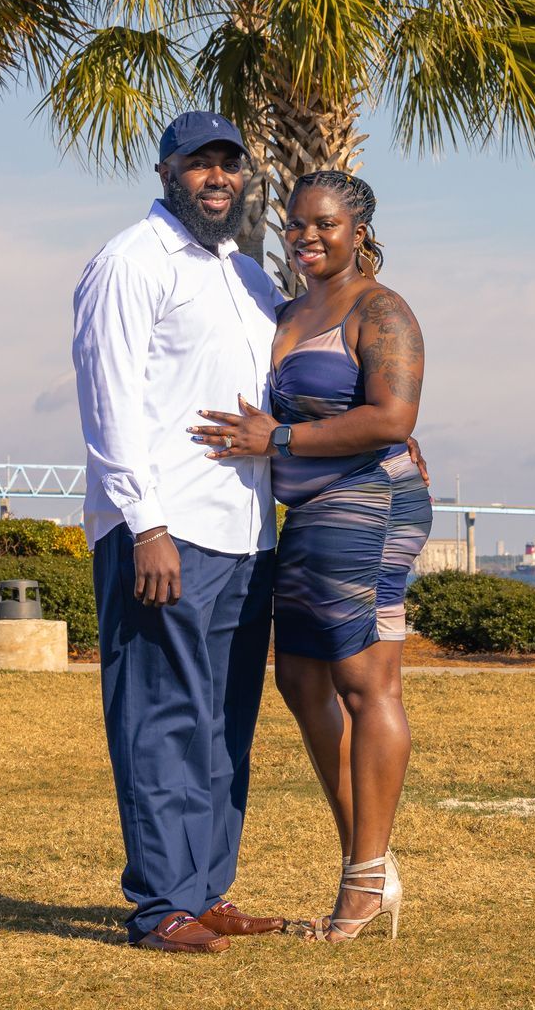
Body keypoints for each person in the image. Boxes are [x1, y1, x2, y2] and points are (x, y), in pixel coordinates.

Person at [70, 111, 292, 954]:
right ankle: (161, 904)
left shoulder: (248, 276)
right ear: (166, 172)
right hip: (164, 532)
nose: (218, 177)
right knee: (162, 718)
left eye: (229, 163)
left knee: (224, 721)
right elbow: (110, 399)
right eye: (200, 163)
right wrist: (146, 524)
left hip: (245, 536)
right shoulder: (131, 262)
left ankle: (207, 888)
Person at [191, 170, 431, 943]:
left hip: (369, 502)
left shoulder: (382, 310)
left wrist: (282, 437)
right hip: (309, 512)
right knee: (298, 679)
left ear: (359, 231)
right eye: (296, 223)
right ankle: (370, 859)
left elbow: (391, 418)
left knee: (365, 683)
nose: (306, 236)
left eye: (325, 223)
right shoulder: (288, 309)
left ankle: (363, 880)